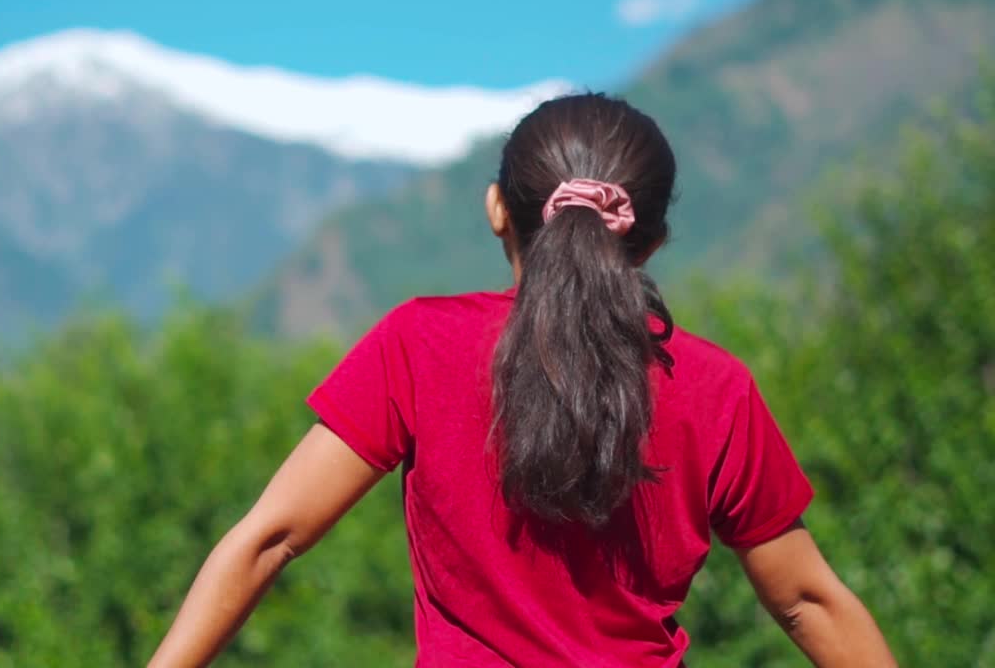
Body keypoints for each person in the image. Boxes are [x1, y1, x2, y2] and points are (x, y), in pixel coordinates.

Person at [148, 94, 895, 667]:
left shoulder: (420, 344)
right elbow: (806, 600)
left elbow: (268, 538)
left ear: (497, 207)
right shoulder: (713, 387)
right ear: (653, 241)